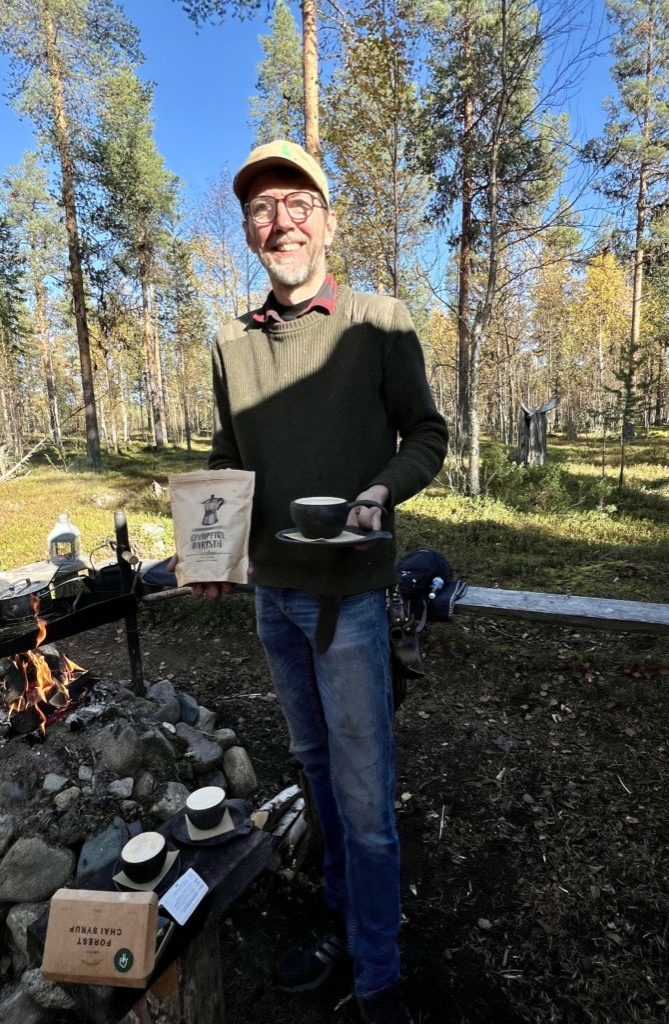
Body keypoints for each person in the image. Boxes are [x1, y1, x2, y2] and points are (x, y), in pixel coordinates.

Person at [195, 139, 448, 1024]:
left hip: (350, 602)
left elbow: (426, 433)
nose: (281, 220)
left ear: (328, 221)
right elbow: (229, 457)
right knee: (314, 771)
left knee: (368, 795)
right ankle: (344, 922)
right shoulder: (232, 341)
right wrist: (213, 553)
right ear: (250, 232)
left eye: (297, 202)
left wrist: (381, 491)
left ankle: (378, 977)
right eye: (263, 208)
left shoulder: (379, 321)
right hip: (273, 599)